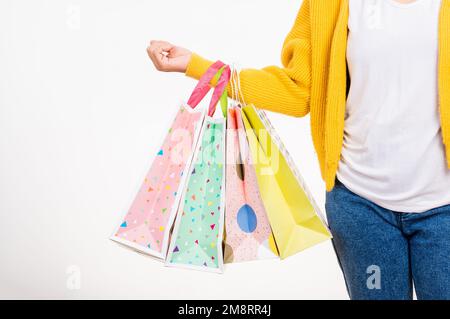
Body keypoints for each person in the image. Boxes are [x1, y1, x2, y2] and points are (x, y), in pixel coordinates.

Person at [146, 0, 450, 300]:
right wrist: (199, 67)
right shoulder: (329, 4)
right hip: (361, 207)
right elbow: (297, 90)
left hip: (444, 208)